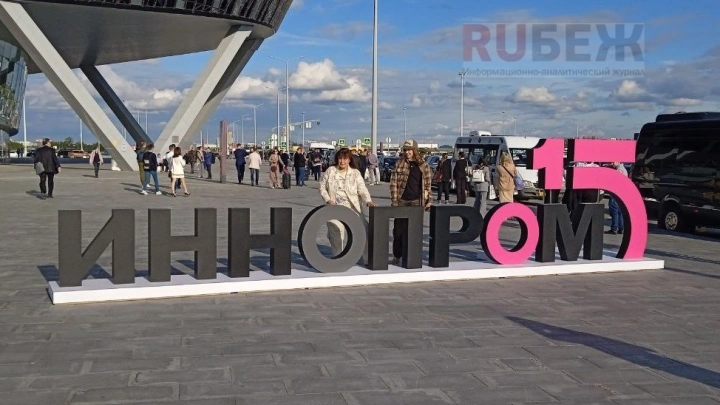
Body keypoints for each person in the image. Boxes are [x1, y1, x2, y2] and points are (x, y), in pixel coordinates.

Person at [319, 148, 376, 261]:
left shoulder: (355, 173)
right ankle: (338, 259)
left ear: (349, 160)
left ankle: (367, 259)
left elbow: (362, 189)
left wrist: (368, 201)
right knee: (336, 230)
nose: (342, 161)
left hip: (352, 207)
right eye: (340, 158)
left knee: (364, 229)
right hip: (335, 208)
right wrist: (328, 200)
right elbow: (322, 187)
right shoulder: (330, 171)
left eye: (345, 159)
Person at [389, 139, 433, 265]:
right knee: (398, 231)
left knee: (414, 230)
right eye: (405, 150)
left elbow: (428, 185)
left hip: (416, 201)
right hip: (402, 201)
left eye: (409, 150)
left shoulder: (423, 165)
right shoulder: (399, 163)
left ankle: (412, 256)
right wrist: (395, 200)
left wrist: (429, 200)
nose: (407, 152)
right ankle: (397, 255)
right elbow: (393, 183)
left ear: (415, 150)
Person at [607, 162, 628, 235]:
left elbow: (615, 181)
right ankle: (621, 228)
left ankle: (614, 228)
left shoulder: (619, 170)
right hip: (621, 193)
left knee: (614, 211)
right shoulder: (623, 169)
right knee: (619, 212)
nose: (612, 163)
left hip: (616, 192)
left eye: (613, 162)